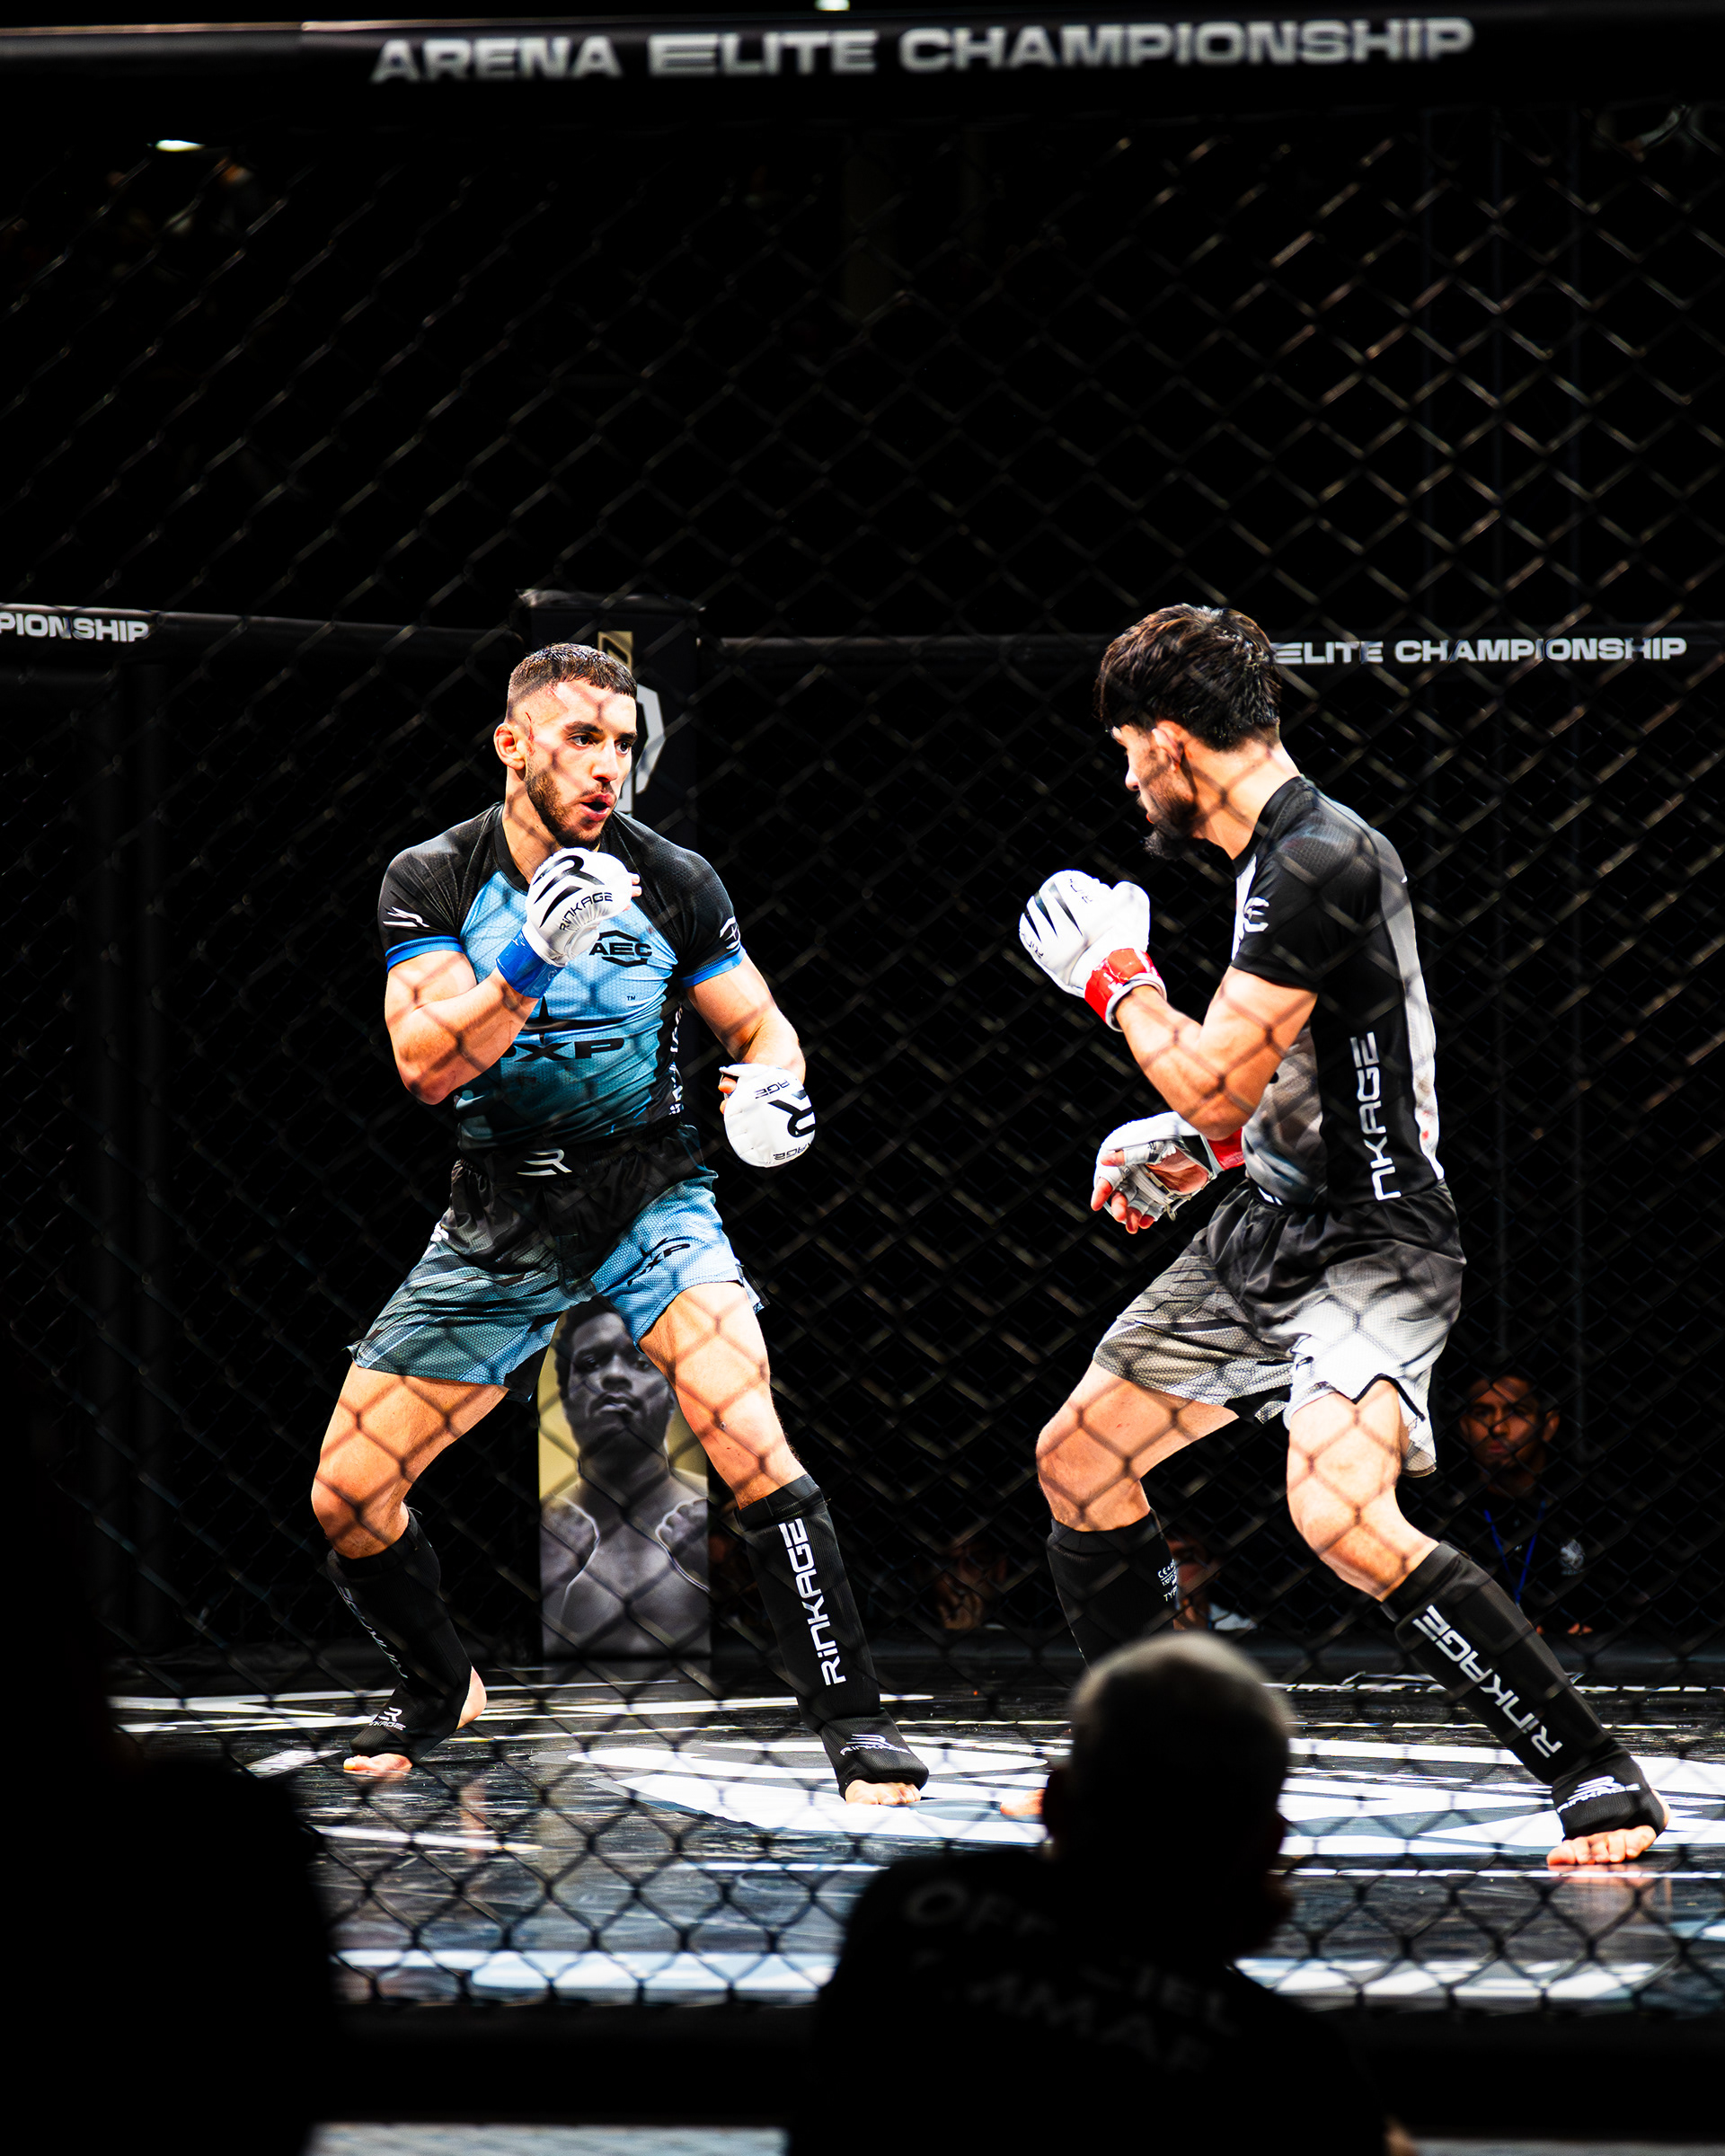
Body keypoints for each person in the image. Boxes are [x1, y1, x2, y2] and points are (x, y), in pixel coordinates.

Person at [1015, 602, 1665, 1867]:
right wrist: (1198, 1152)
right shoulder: (1276, 859)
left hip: (1375, 1243)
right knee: (1081, 1459)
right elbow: (1294, 1077)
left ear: (1168, 740)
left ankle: (1596, 1774)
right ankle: (1150, 1762)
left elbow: (1217, 1078)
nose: (1126, 778)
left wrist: (1118, 982)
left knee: (1340, 1513)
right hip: (1268, 1226)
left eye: (1128, 750)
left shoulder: (1319, 859)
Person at [312, 641, 924, 1803]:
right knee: (347, 1496)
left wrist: (774, 1093)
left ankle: (854, 1722)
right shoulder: (433, 877)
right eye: (582, 738)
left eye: (625, 743)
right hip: (501, 1207)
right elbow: (426, 1067)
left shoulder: (674, 878)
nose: (609, 765)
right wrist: (528, 961)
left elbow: (764, 1027)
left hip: (647, 1189)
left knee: (747, 1429)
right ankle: (438, 1682)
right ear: (513, 745)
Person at [793, 1636, 1404, 2156]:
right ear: (1269, 1844)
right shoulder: (1287, 2060)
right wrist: (1206, 1945)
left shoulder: (917, 1904)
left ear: (1056, 1803)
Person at [540, 1296, 710, 1658]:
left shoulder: (714, 1511)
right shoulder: (547, 1530)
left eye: (640, 1362)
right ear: (566, 1396)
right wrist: (554, 1584)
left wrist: (721, 1572)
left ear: (671, 1394)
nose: (615, 1375)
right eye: (591, 1363)